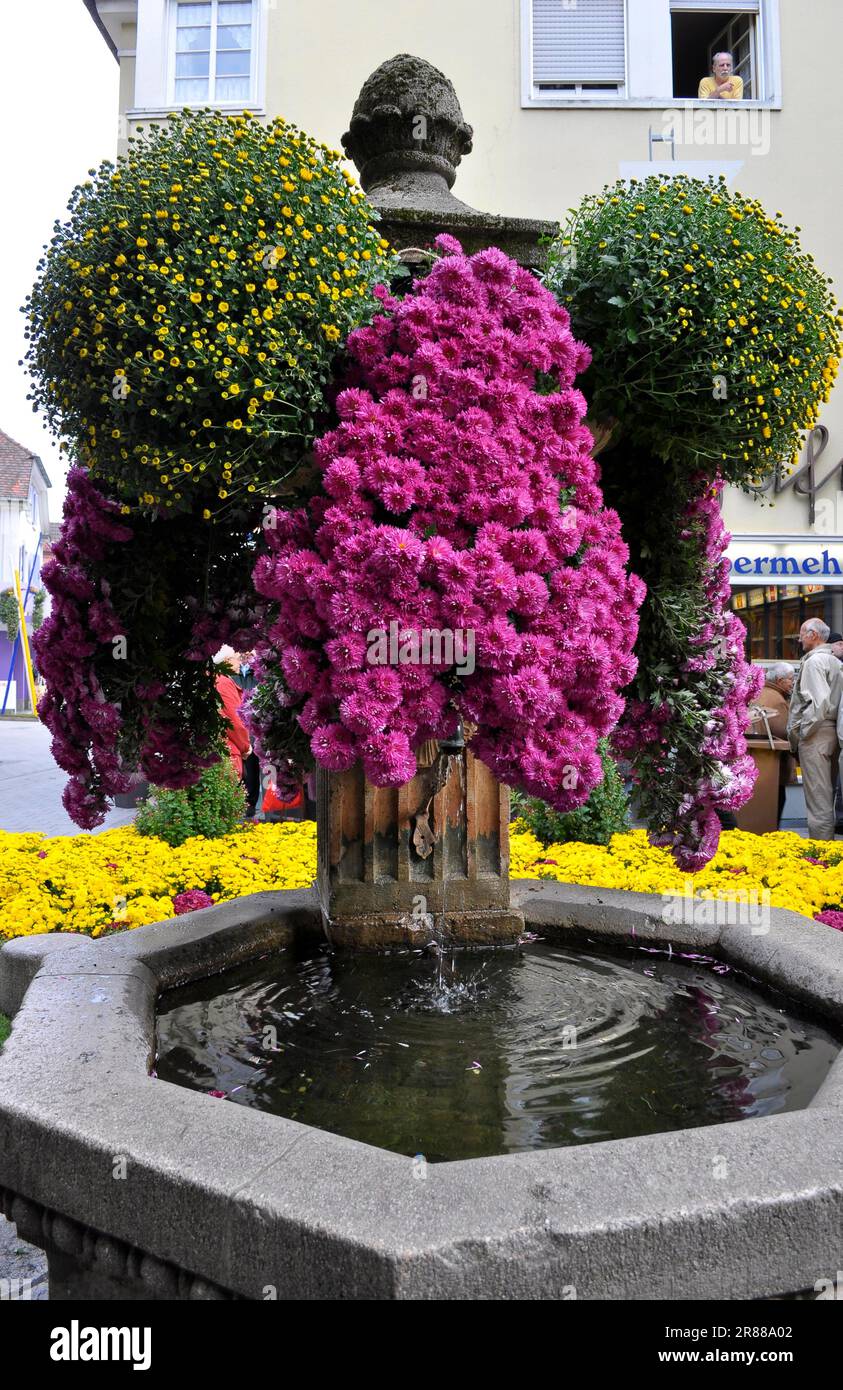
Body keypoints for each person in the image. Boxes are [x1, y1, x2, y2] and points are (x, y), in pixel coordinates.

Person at [786, 620, 843, 840]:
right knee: (826, 797)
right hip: (831, 734)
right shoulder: (835, 662)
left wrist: (802, 734)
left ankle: (819, 855)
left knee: (818, 799)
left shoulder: (814, 662)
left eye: (801, 634)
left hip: (816, 734)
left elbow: (817, 705)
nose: (799, 639)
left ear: (813, 635)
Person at [747, 662, 795, 827]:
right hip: (773, 765)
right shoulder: (778, 700)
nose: (793, 682)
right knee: (776, 801)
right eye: (791, 679)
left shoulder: (758, 693)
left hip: (755, 761)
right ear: (780, 680)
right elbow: (783, 733)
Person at [213, 646, 251, 781]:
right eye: (237, 659)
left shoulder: (213, 679)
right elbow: (235, 721)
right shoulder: (223, 681)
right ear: (228, 661)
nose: (240, 662)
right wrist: (246, 747)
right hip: (228, 750)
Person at [231, 651, 260, 819]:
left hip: (253, 727)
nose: (244, 653)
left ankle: (250, 805)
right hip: (235, 727)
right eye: (240, 650)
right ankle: (235, 803)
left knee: (252, 767)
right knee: (236, 766)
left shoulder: (257, 672)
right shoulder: (231, 672)